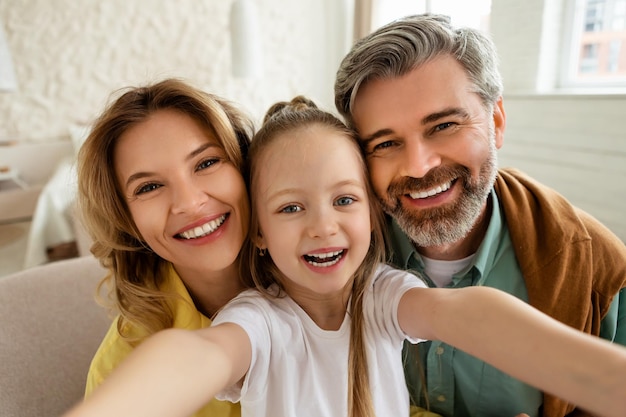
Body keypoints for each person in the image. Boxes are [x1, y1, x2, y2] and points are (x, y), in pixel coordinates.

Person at [63, 96, 626, 417]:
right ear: (261, 228)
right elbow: (200, 354)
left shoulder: (380, 294)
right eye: (289, 209)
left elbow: (463, 313)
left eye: (344, 200)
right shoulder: (260, 321)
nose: (322, 226)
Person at [334, 13, 626, 417]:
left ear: (497, 121)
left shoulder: (598, 268)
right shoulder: (333, 257)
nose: (418, 166)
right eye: (385, 143)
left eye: (444, 125)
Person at [77, 78, 254, 417]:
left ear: (245, 166)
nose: (189, 203)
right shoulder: (119, 367)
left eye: (206, 163)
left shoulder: (324, 288)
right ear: (127, 221)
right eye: (150, 187)